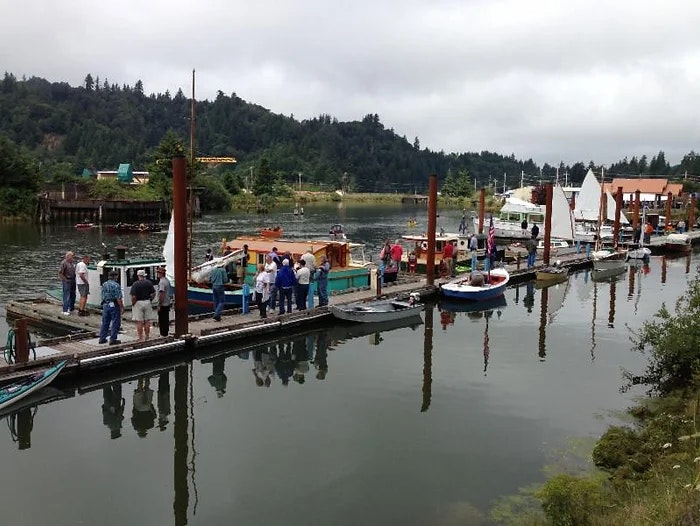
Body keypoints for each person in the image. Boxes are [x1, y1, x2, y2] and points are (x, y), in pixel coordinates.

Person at [98, 270, 124, 345]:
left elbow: (102, 295)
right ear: (115, 276)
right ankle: (113, 339)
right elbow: (118, 297)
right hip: (114, 305)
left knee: (105, 322)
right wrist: (122, 307)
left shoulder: (104, 284)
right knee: (115, 322)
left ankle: (102, 338)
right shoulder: (116, 285)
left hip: (105, 304)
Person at [130, 269, 156, 342]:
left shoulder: (135, 284)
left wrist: (133, 303)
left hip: (138, 302)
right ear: (144, 275)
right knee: (147, 321)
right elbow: (154, 293)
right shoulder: (149, 283)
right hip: (147, 301)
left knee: (139, 321)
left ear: (138, 276)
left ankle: (140, 338)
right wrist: (150, 300)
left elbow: (133, 296)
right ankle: (147, 336)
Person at [58, 250, 76, 315]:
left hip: (73, 280)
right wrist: (65, 280)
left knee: (73, 295)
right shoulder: (64, 263)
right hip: (67, 281)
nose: (73, 257)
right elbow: (60, 273)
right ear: (68, 256)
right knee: (66, 295)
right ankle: (65, 310)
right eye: (72, 256)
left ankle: (71, 308)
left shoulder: (72, 263)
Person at [155, 267, 171, 337]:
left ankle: (163, 334)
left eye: (158, 272)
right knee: (166, 318)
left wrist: (159, 304)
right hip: (167, 302)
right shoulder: (167, 280)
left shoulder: (162, 282)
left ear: (161, 273)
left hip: (163, 304)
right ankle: (165, 333)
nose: (157, 274)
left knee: (162, 319)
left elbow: (162, 293)